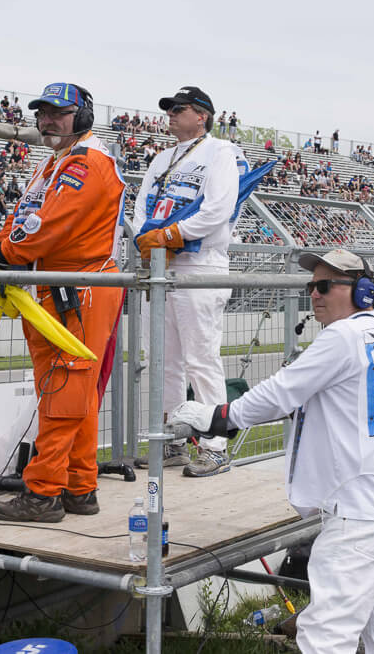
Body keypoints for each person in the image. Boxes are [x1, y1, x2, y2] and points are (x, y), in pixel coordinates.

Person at [170, 249, 374, 653]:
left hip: (361, 513)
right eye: (311, 286)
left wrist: (218, 416)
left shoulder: (342, 337)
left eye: (324, 285)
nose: (314, 294)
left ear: (362, 291)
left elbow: (280, 392)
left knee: (325, 634)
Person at [0, 82, 125, 522]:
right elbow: (22, 215)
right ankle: (80, 488)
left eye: (58, 113)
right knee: (73, 391)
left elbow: (49, 223)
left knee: (64, 388)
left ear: (82, 117)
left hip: (80, 287)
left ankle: (43, 493)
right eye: (42, 113)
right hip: (57, 287)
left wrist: (4, 255)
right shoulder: (55, 162)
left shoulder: (86, 162)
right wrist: (4, 246)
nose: (47, 121)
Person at [131, 86, 249, 478]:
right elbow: (141, 206)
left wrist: (169, 235)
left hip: (201, 264)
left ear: (201, 115)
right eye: (168, 109)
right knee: (163, 361)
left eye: (178, 108)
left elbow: (218, 210)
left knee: (201, 359)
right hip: (161, 266)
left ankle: (214, 447)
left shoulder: (221, 152)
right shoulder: (161, 158)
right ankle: (173, 441)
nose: (170, 114)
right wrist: (146, 237)